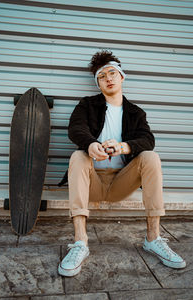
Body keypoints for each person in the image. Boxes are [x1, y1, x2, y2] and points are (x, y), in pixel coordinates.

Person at [58, 50, 186, 277]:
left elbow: (148, 140)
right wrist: (90, 145)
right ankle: (80, 242)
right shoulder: (87, 105)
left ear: (122, 76)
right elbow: (76, 129)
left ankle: (153, 238)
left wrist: (123, 147)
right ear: (97, 83)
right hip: (92, 183)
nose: (108, 78)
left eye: (112, 73)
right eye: (101, 76)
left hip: (121, 182)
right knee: (78, 156)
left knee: (150, 157)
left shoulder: (136, 112)